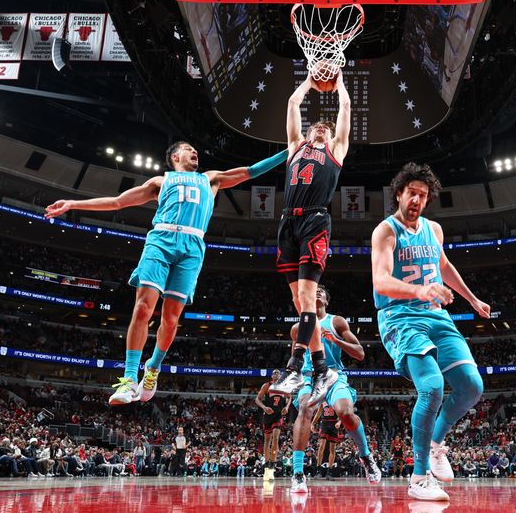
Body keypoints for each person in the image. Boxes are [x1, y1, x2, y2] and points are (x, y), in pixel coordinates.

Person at [45, 142, 288, 405]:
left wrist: (290, 151)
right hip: (161, 239)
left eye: (196, 149)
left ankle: (153, 368)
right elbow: (117, 202)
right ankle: (128, 380)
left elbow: (252, 170)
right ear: (175, 156)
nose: (195, 152)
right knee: (142, 308)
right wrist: (73, 203)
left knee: (171, 319)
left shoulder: (211, 179)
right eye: (188, 149)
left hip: (193, 247)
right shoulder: (161, 181)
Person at [371, 162, 489, 501]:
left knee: (471, 386)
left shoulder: (434, 230)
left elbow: (444, 266)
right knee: (433, 386)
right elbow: (381, 281)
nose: (417, 200)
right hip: (400, 317)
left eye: (423, 195)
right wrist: (420, 290)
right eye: (412, 193)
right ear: (399, 194)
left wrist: (472, 299)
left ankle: (437, 445)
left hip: (437, 316)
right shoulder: (386, 231)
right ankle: (419, 477)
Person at [269, 72, 352, 408]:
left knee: (306, 297)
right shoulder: (295, 148)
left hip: (316, 219)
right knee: (300, 304)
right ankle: (321, 369)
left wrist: (340, 79)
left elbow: (345, 105)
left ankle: (294, 366)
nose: (321, 128)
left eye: (326, 128)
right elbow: (292, 103)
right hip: (288, 221)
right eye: (316, 127)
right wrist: (308, 82)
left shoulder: (335, 151)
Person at [287, 285, 381, 493]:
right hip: (310, 376)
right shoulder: (297, 328)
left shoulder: (336, 321)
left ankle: (365, 456)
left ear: (327, 301)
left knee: (345, 413)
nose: (317, 291)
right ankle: (298, 473)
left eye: (322, 291)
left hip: (333, 374)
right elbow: (295, 358)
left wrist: (335, 339)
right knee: (305, 408)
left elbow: (360, 353)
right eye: (315, 290)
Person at [255, 370, 291, 481]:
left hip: (278, 416)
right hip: (267, 415)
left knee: (276, 438)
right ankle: (266, 462)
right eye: (274, 373)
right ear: (272, 376)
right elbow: (257, 399)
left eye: (278, 373)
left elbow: (290, 397)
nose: (276, 374)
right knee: (267, 441)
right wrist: (264, 407)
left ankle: (273, 462)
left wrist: (287, 407)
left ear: (280, 376)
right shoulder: (267, 386)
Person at [311, 401, 343, 479]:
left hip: (334, 424)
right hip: (324, 423)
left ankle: (330, 471)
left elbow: (342, 415)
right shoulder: (322, 400)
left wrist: (339, 422)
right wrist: (312, 423)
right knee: (321, 446)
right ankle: (318, 470)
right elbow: (318, 413)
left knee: (332, 449)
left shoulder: (336, 400)